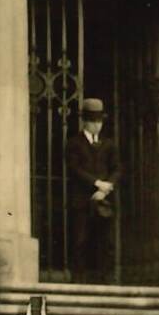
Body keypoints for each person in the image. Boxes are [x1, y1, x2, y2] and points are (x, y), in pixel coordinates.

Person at [70, 97, 116, 282]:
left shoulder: (109, 144)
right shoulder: (74, 143)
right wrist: (97, 184)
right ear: (85, 122)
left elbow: (117, 169)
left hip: (103, 200)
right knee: (80, 240)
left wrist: (106, 188)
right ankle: (78, 281)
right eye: (93, 121)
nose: (97, 126)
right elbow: (75, 169)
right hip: (81, 200)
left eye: (99, 121)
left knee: (105, 241)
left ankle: (105, 280)